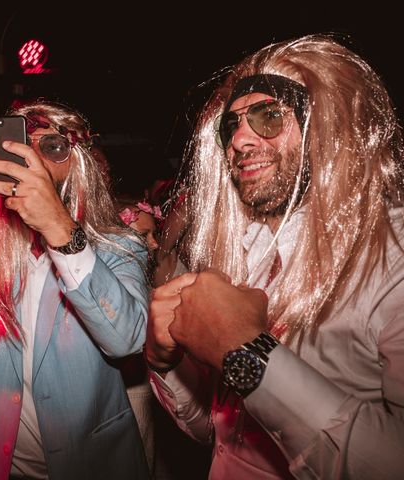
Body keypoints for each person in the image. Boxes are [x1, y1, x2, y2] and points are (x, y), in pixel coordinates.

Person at [146, 34, 404, 479]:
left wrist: (250, 355)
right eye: (232, 125)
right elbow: (217, 433)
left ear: (331, 127)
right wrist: (165, 362)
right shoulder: (242, 253)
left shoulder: (391, 255)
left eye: (268, 116)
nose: (240, 140)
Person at [0, 100, 150, 479]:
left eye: (52, 147)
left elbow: (126, 339)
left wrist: (60, 229)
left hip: (92, 465)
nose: (35, 161)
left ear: (80, 164)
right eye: (22, 146)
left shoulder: (119, 247)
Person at [116, 198, 162, 476]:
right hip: (130, 390)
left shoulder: (146, 273)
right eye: (145, 235)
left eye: (154, 233)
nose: (154, 243)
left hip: (143, 385)